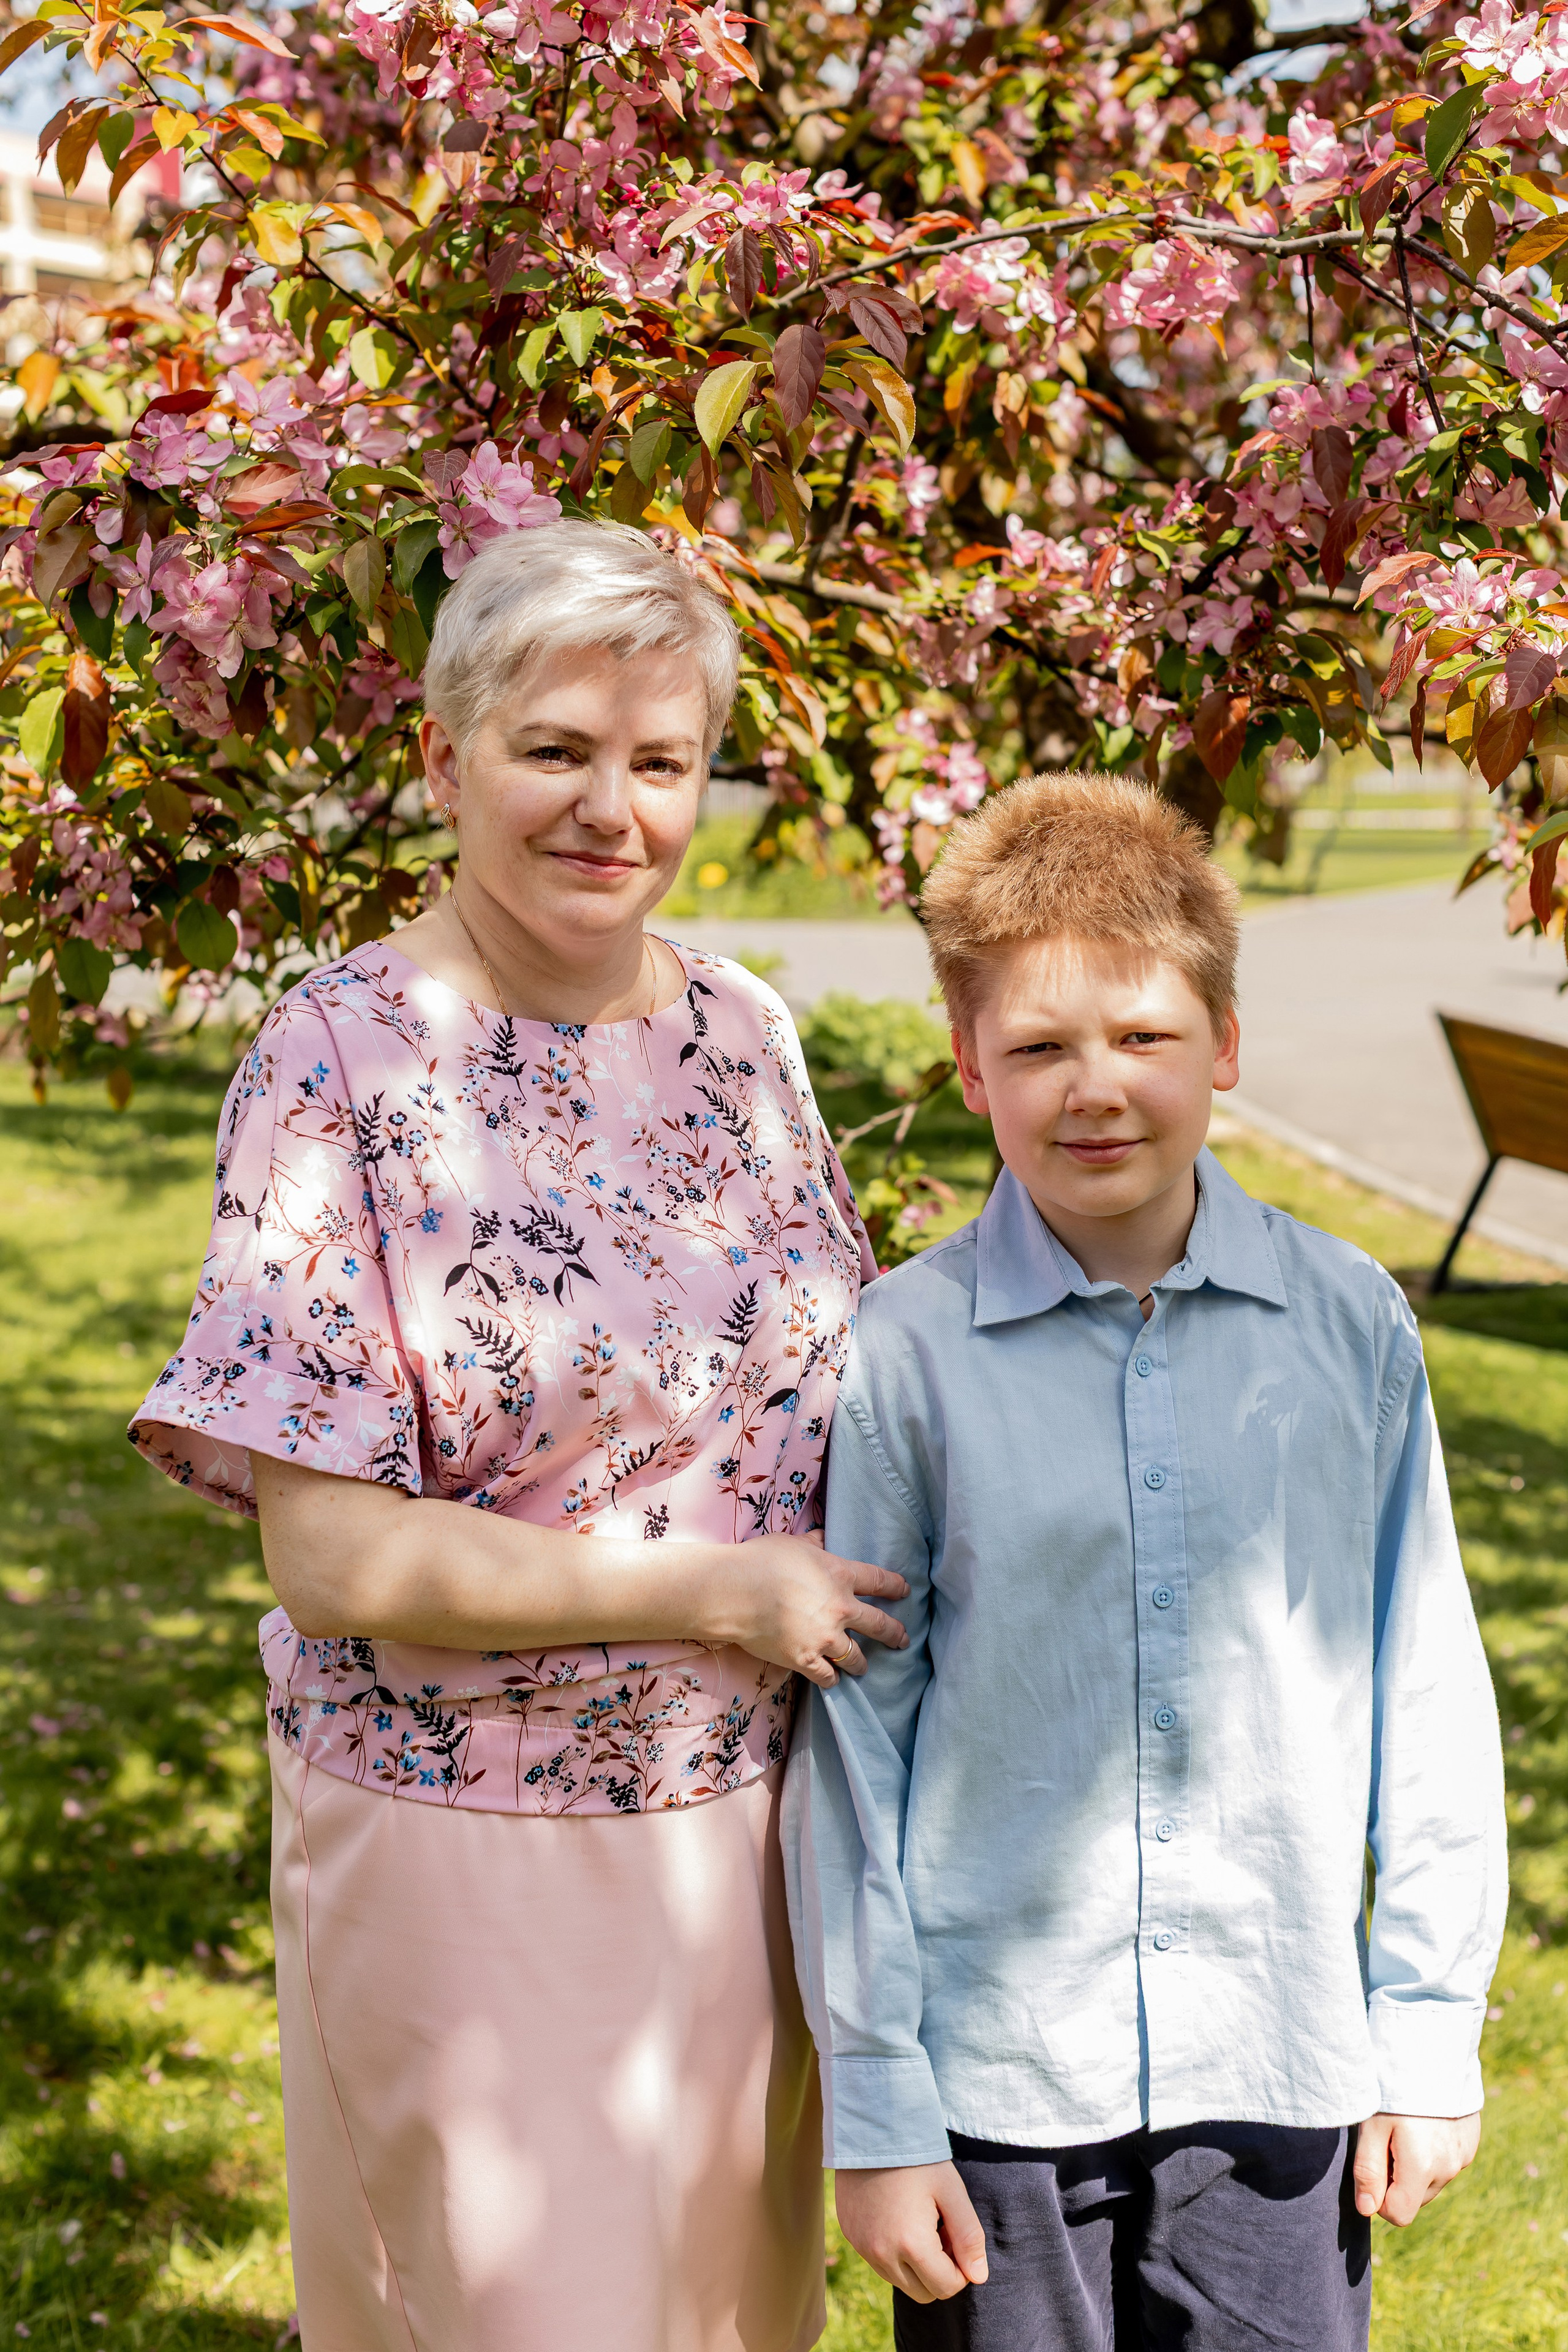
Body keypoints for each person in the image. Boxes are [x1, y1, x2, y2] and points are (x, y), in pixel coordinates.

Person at [130, 519, 909, 2352]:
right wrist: (718, 1589)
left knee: (730, 2325)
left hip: (754, 1840)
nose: (610, 810)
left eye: (661, 762)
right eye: (555, 751)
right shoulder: (339, 1056)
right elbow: (336, 1559)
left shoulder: (745, 1030)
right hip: (472, 1851)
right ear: (441, 758)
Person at [782, 770, 1507, 2352]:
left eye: (1144, 1039)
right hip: (1001, 2086)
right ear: (972, 1068)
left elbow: (1425, 1684)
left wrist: (1429, 2030)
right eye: (1038, 1047)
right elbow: (854, 1739)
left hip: (1280, 2059)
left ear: (1225, 1047)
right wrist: (883, 2105)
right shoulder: (907, 1349)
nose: (1093, 1087)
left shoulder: (1348, 1325)